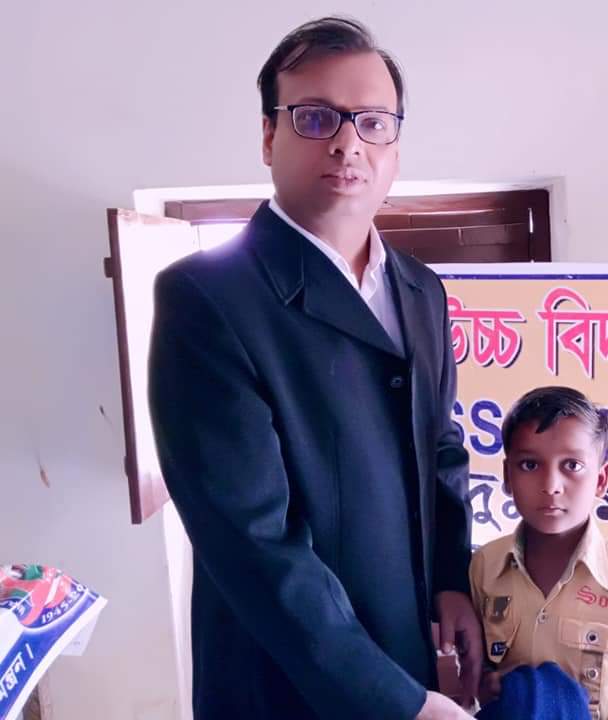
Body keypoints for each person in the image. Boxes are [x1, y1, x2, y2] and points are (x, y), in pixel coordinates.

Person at [148, 16, 480, 720]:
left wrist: (453, 580)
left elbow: (441, 447)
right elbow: (251, 541)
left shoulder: (422, 290)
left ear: (395, 147)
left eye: (372, 122)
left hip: (409, 654)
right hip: (283, 685)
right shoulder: (207, 299)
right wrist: (394, 702)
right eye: (316, 117)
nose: (348, 143)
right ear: (269, 136)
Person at [469, 387, 608, 719]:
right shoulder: (484, 567)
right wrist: (487, 687)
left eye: (572, 465)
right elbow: (470, 681)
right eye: (530, 464)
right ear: (507, 476)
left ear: (600, 480)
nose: (551, 485)